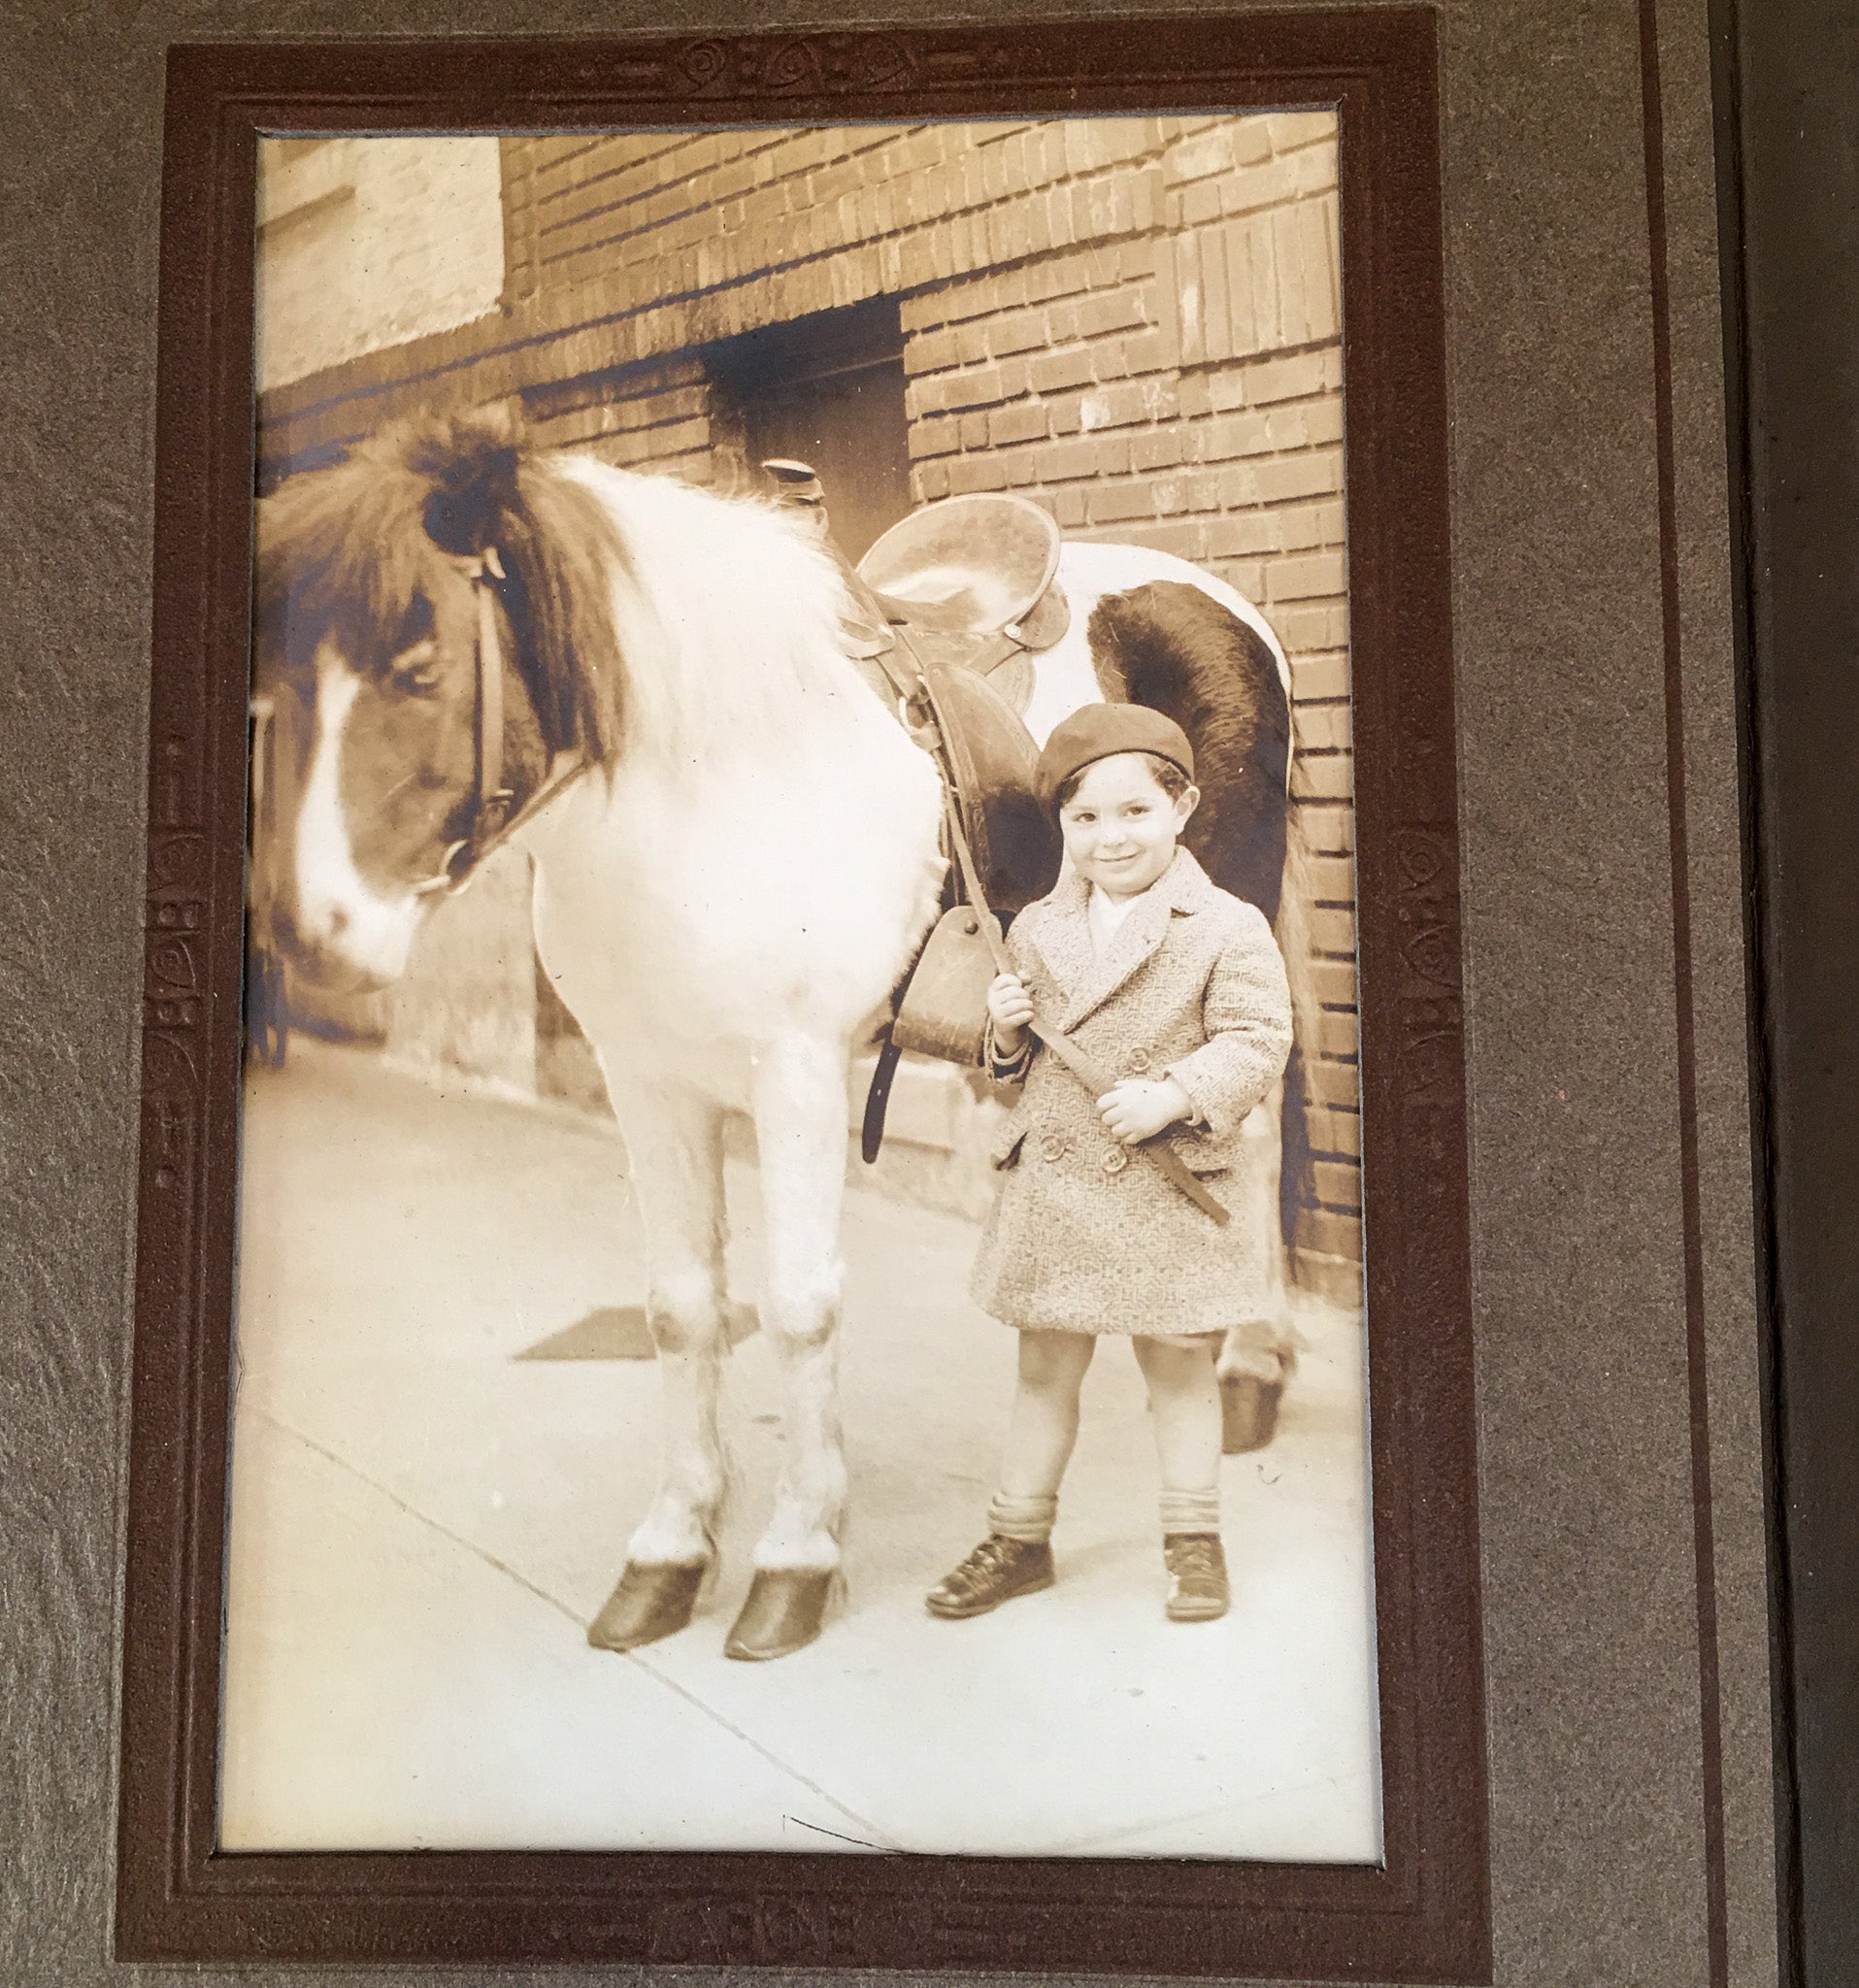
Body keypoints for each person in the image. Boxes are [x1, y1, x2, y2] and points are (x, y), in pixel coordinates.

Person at [926, 703, 1293, 1625]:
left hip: (1167, 1184)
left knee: (1176, 1369)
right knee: (1043, 1370)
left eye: (1134, 813)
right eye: (1084, 818)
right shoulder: (1039, 929)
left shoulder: (1224, 924)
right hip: (1055, 1190)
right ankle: (1017, 1538)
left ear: (1183, 809)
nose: (1109, 838)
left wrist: (1175, 1092)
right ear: (1061, 828)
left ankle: (1193, 1538)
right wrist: (1003, 1032)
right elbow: (1015, 1074)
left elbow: (1257, 1039)